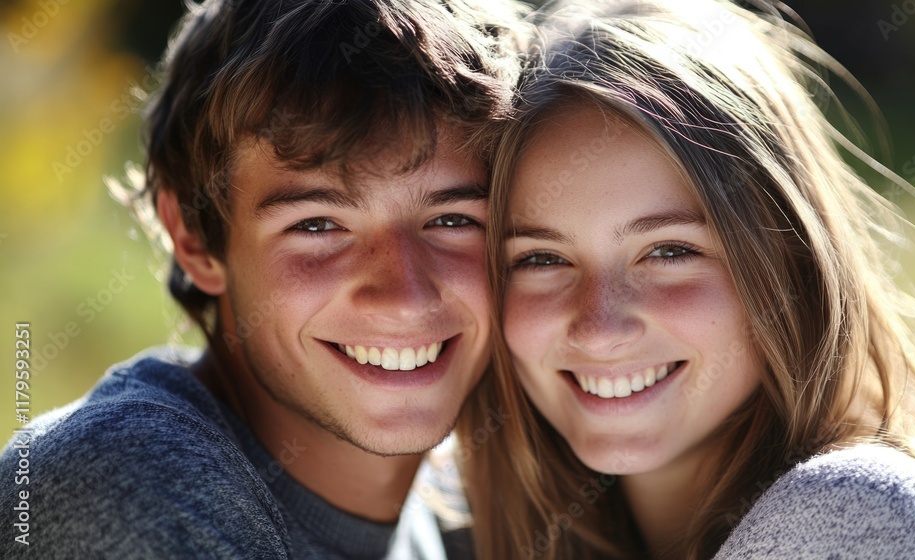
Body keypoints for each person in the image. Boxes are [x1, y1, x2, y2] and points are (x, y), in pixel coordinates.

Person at [458, 0, 915, 558]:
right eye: (542, 259)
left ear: (791, 259)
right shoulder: (458, 527)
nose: (599, 328)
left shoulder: (851, 514)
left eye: (668, 251)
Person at [0, 0, 527, 557]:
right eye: (319, 224)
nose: (403, 297)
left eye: (451, 220)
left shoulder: (453, 515)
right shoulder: (126, 482)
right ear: (195, 239)